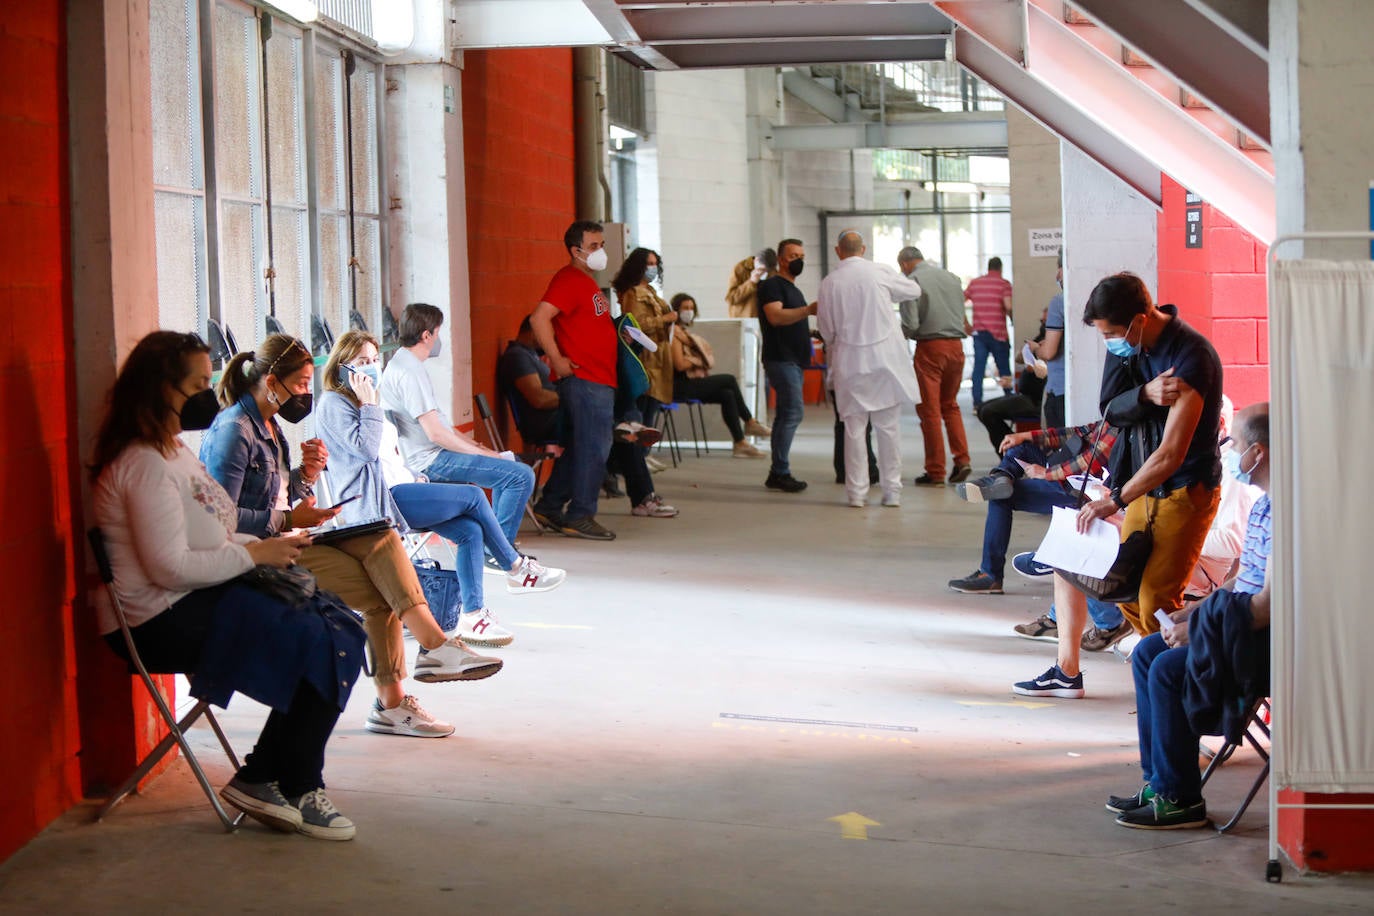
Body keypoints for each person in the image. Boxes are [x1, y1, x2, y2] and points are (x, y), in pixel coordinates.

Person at [92, 331, 363, 839]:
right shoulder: (142, 464)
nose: (207, 390)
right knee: (315, 639)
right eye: (196, 383)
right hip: (158, 620)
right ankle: (284, 778)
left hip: (199, 595)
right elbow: (169, 568)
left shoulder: (172, 452)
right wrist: (254, 553)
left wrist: (273, 543)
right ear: (160, 389)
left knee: (341, 627)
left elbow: (213, 530)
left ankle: (274, 775)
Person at [201, 333, 492, 741]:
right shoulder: (235, 430)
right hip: (252, 559)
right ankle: (430, 652)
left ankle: (410, 682)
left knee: (381, 539)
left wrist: (306, 477)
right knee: (380, 581)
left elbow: (278, 493)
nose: (307, 393)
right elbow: (221, 520)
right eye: (302, 383)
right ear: (271, 381)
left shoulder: (266, 424)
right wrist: (286, 519)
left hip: (286, 537)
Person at [1013, 273, 1224, 698]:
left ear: (1140, 320)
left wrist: (1114, 500)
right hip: (1140, 486)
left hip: (1184, 491)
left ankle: (1192, 694)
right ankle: (1168, 684)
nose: (1109, 342)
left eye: (1111, 333)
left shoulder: (1191, 357)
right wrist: (1144, 393)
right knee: (1124, 591)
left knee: (1155, 602)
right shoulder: (1129, 348)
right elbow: (1109, 408)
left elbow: (1171, 455)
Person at [317, 330, 567, 652]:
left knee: (469, 530)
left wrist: (415, 475)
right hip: (375, 504)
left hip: (400, 488)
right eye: (362, 361)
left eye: (375, 360)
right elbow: (364, 451)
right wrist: (369, 406)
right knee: (474, 496)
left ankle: (473, 616)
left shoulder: (367, 403)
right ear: (342, 366)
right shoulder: (334, 404)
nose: (370, 368)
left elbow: (388, 457)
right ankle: (515, 567)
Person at [1110, 402, 1271, 829]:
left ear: (1258, 452)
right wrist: (1190, 613)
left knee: (1167, 669)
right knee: (1147, 651)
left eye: (1234, 442)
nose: (1228, 448)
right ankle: (1160, 782)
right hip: (1237, 627)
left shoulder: (1291, 515)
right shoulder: (1264, 506)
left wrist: (1200, 629)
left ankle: (1182, 799)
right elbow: (1242, 583)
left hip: (1265, 642)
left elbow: (1266, 607)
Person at [380, 303, 537, 559]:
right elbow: (437, 435)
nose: (438, 339)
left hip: (434, 453)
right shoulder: (409, 372)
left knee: (511, 468)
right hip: (431, 460)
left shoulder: (405, 364)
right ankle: (499, 552)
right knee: (520, 476)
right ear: (426, 335)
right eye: (438, 332)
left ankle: (495, 546)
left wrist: (481, 449)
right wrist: (486, 456)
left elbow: (444, 426)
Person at [816, 229, 922, 507]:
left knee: (854, 429)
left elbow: (826, 330)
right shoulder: (879, 272)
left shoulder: (830, 282)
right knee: (888, 428)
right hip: (885, 362)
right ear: (863, 250)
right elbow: (913, 289)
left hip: (850, 363)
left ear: (838, 251)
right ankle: (892, 492)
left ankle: (857, 494)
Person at [529, 220, 619, 540]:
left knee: (583, 447)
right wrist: (556, 360)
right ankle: (581, 514)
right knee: (595, 448)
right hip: (584, 379)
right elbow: (538, 318)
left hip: (596, 378)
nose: (600, 252)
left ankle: (551, 505)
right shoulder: (568, 279)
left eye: (601, 245)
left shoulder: (586, 282)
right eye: (593, 247)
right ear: (575, 250)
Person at [898, 246, 972, 486]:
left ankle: (935, 471)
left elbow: (910, 324)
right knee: (950, 406)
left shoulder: (913, 280)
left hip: (931, 349)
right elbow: (963, 318)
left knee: (930, 411)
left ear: (904, 264)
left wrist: (895, 337)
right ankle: (962, 460)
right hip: (956, 348)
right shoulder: (952, 278)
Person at [668, 292, 770, 458]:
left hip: (689, 383)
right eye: (685, 308)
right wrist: (698, 360)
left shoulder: (684, 333)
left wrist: (695, 360)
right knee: (728, 380)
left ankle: (740, 443)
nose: (689, 311)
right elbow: (680, 365)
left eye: (692, 308)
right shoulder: (674, 333)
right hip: (678, 386)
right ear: (676, 311)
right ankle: (750, 422)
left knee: (727, 394)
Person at [757, 238, 817, 493]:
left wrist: (811, 332)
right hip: (781, 359)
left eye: (801, 255)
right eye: (793, 256)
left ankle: (777, 472)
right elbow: (776, 316)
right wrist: (808, 310)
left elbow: (792, 320)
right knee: (793, 413)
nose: (798, 260)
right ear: (781, 259)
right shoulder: (772, 285)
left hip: (794, 358)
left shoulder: (793, 288)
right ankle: (780, 471)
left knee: (786, 414)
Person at [614, 247, 675, 426]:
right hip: (645, 357)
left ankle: (645, 451)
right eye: (649, 264)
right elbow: (636, 326)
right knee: (643, 408)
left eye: (655, 264)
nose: (653, 268)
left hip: (659, 356)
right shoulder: (632, 293)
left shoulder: (650, 291)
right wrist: (664, 319)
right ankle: (640, 452)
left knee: (652, 408)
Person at [497, 316, 561, 447]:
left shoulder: (530, 355)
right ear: (534, 331)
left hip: (557, 419)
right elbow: (539, 399)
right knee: (596, 419)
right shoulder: (517, 356)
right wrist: (573, 398)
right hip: (545, 425)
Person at [965, 256, 1014, 409]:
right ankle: (1009, 398)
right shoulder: (1004, 284)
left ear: (988, 268)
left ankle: (977, 403)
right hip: (998, 333)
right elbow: (1009, 306)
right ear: (1000, 269)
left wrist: (964, 323)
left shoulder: (975, 283)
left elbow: (960, 299)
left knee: (979, 368)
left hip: (979, 333)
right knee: (1004, 367)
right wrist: (1012, 319)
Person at [1030, 254, 1067, 428]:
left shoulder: (1059, 302)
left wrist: (1036, 349)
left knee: (1061, 448)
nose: (1057, 277)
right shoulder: (1094, 300)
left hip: (1060, 390)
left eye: (1058, 270)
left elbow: (1050, 352)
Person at [726, 248, 776, 318]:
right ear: (756, 260)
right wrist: (751, 282)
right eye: (761, 269)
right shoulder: (740, 268)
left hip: (766, 320)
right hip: (746, 320)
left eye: (766, 270)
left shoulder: (772, 271)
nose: (763, 272)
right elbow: (731, 299)